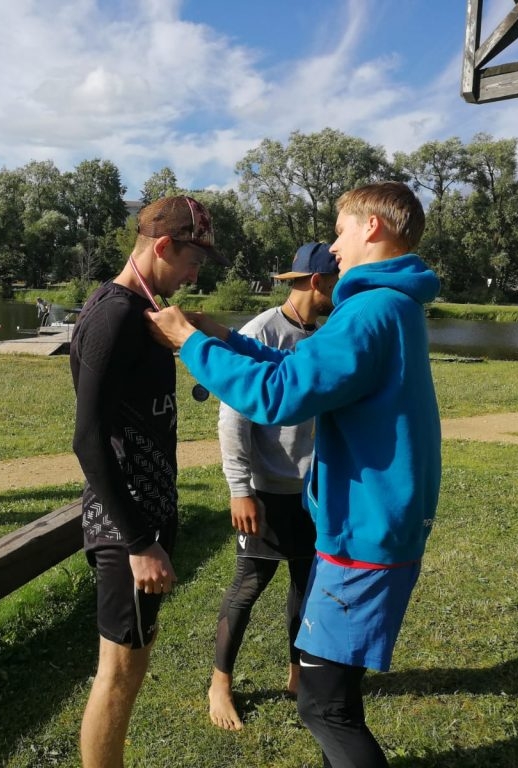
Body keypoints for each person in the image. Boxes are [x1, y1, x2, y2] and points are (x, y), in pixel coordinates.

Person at [147, 182, 440, 768]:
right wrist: (226, 338)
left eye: (340, 231)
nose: (334, 248)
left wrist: (188, 343)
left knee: (324, 708)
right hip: (372, 527)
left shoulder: (372, 309)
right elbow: (300, 365)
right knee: (335, 698)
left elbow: (280, 395)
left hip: (363, 538)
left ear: (373, 228)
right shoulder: (389, 305)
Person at [71, 195, 227, 767]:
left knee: (132, 660)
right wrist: (139, 542)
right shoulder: (113, 315)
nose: (195, 275)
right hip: (127, 521)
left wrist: (202, 333)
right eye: (193, 261)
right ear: (162, 246)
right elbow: (88, 439)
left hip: (149, 511)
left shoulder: (145, 311)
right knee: (118, 671)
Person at [209, 242, 339, 731]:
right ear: (317, 282)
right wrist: (240, 488)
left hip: (311, 491)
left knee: (306, 586)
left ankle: (297, 677)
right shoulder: (261, 332)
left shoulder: (322, 335)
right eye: (337, 282)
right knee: (248, 585)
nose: (341, 291)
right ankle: (220, 684)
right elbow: (233, 416)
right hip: (264, 491)